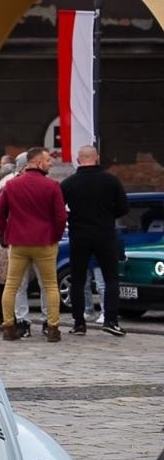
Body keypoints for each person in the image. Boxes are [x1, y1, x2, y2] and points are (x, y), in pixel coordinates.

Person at [0, 145, 65, 342]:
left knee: (12, 285)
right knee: (50, 285)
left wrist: (7, 234)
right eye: (48, 160)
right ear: (39, 163)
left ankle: (9, 326)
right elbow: (60, 217)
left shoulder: (12, 185)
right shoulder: (52, 186)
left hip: (18, 242)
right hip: (45, 241)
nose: (51, 163)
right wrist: (55, 236)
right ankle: (52, 328)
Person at [60, 144, 129, 336]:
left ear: (78, 160)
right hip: (105, 233)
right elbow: (124, 207)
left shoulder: (68, 183)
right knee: (111, 278)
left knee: (78, 279)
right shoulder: (111, 181)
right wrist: (107, 215)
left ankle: (79, 323)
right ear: (96, 158)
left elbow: (58, 209)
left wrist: (73, 218)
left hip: (79, 234)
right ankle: (111, 320)